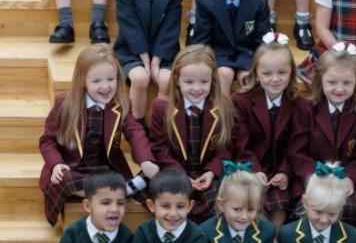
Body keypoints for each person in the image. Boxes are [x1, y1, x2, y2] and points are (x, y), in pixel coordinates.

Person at [39, 44, 158, 226]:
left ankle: (112, 191)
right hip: (72, 168)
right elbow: (48, 141)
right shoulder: (64, 104)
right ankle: (121, 192)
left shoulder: (121, 105)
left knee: (151, 175)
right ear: (83, 81)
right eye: (96, 81)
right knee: (64, 179)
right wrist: (56, 164)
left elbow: (136, 133)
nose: (105, 86)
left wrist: (146, 161)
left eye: (110, 79)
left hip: (104, 169)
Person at [288, 45, 356, 230]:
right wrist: (315, 178)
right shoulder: (306, 108)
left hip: (348, 183)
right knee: (305, 210)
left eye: (347, 83)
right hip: (312, 179)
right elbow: (297, 151)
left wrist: (350, 179)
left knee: (351, 211)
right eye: (332, 82)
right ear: (320, 80)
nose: (339, 89)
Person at [150, 45, 233, 223]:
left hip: (207, 173)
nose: (197, 88)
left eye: (204, 82)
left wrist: (211, 172)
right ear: (177, 80)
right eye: (189, 82)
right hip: (174, 171)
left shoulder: (223, 107)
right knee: (172, 198)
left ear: (213, 81)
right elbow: (159, 149)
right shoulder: (161, 108)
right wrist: (180, 175)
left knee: (219, 199)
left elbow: (226, 148)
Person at [233, 33, 306, 228]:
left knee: (280, 198)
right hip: (249, 168)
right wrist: (255, 171)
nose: (275, 79)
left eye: (282, 72)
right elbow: (241, 143)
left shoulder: (298, 104)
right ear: (256, 73)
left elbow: (297, 145)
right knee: (248, 196)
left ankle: (274, 240)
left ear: (291, 72)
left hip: (281, 169)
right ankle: (254, 236)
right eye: (267, 74)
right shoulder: (242, 102)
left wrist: (285, 172)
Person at [114, 0, 184, 123]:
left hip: (164, 50)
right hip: (132, 50)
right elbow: (130, 27)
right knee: (139, 78)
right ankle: (137, 122)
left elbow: (170, 29)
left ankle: (160, 123)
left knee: (165, 79)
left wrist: (156, 61)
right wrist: (145, 60)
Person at [192, 0, 271, 94]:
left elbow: (261, 38)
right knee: (224, 74)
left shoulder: (259, 0)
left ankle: (244, 115)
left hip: (247, 53)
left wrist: (257, 63)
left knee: (248, 77)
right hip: (219, 54)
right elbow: (201, 40)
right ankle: (223, 115)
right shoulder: (205, 0)